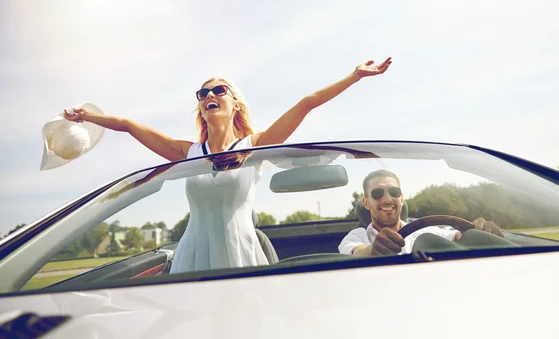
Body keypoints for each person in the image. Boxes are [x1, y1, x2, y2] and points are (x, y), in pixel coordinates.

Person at [64, 57, 393, 272]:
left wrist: (354, 76)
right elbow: (129, 124)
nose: (209, 94)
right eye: (203, 92)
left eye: (219, 89)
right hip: (192, 254)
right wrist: (88, 117)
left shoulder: (254, 147)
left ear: (235, 104)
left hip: (241, 252)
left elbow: (306, 104)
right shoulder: (189, 152)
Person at [339, 169, 512, 256]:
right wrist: (373, 250)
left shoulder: (424, 230)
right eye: (378, 193)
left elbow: (456, 237)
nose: (387, 199)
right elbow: (356, 251)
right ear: (366, 203)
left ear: (402, 198)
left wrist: (477, 233)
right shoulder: (357, 236)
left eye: (394, 192)